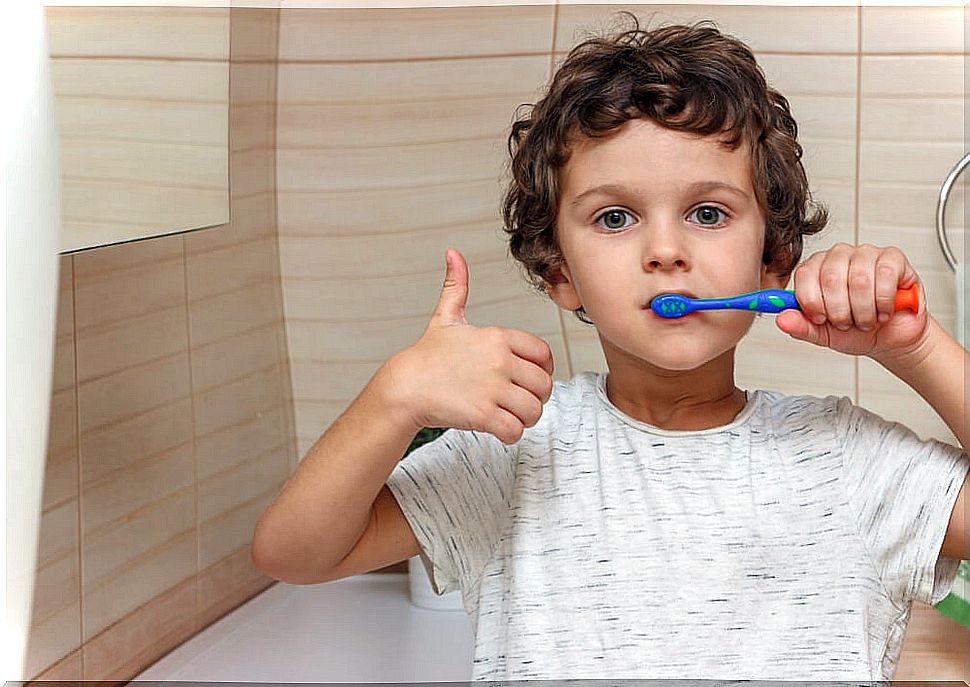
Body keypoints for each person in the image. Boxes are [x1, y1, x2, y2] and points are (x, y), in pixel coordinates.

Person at [251, 15, 969, 681]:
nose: (665, 249)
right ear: (560, 271)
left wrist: (915, 348)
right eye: (616, 216)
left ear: (773, 258)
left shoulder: (846, 460)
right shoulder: (515, 454)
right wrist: (395, 395)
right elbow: (294, 553)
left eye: (708, 212)